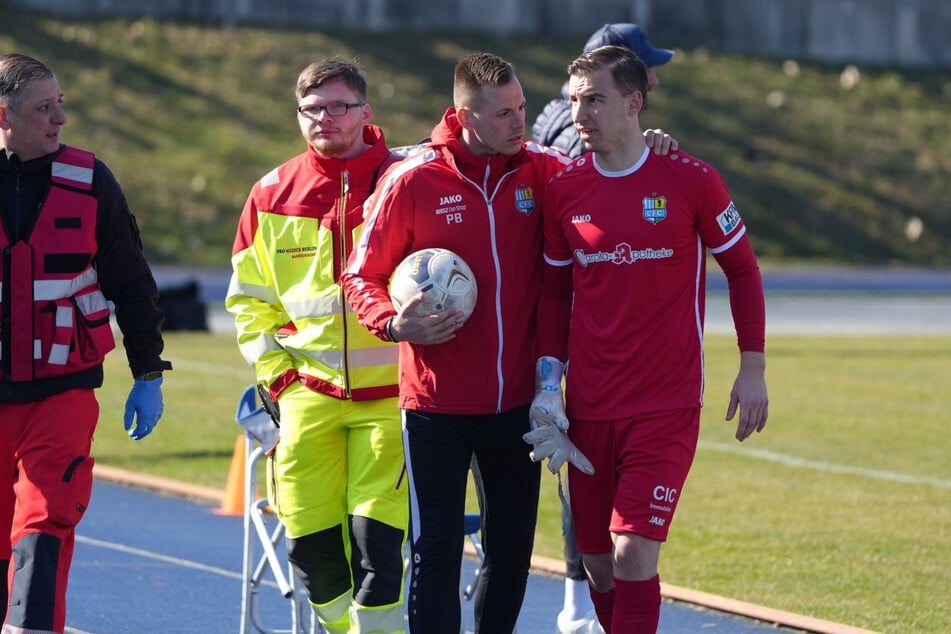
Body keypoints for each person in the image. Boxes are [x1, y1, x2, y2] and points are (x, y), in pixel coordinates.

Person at [529, 45, 769, 633]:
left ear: (634, 103)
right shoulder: (565, 190)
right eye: (574, 101)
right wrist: (548, 384)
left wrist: (753, 364)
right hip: (588, 406)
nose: (579, 115)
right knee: (597, 565)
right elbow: (556, 296)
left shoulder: (692, 179)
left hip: (666, 403)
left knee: (634, 551)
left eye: (594, 101)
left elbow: (742, 268)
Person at [225, 57, 411, 634]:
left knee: (377, 548)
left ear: (365, 110)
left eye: (339, 106)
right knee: (312, 553)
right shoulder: (271, 192)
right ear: (298, 115)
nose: (325, 118)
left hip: (393, 397)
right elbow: (248, 302)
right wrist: (279, 378)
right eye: (312, 109)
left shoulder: (409, 180)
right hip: (305, 395)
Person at [0, 53, 171, 633]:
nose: (59, 119)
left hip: (62, 390)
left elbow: (132, 279)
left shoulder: (91, 180)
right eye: (44, 108)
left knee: (47, 520)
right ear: (4, 115)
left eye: (61, 103)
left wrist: (148, 372)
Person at [532, 22, 675, 634]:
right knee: (591, 537)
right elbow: (591, 191)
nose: (658, 76)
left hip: (638, 384)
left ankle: (576, 608)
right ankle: (573, 605)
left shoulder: (553, 120)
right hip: (557, 342)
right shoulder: (576, 137)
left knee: (624, 548)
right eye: (648, 67)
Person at [533, 23, 674, 159]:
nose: (654, 80)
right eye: (645, 69)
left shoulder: (555, 111)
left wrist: (642, 146)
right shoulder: (593, 139)